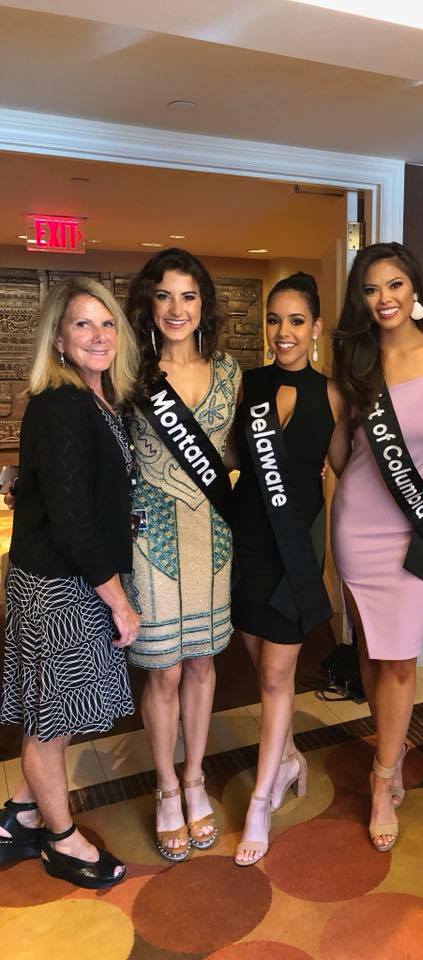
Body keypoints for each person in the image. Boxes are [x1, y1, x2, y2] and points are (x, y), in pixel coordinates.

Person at [332, 242, 423, 852]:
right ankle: (387, 746)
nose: (384, 298)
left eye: (394, 285)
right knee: (370, 651)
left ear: (416, 290)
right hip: (359, 524)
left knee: (402, 658)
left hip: (420, 532)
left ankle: (383, 776)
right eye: (370, 288)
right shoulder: (353, 361)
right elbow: (341, 452)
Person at [0, 277, 140, 888]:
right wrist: (120, 601)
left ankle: (27, 810)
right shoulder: (61, 404)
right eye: (82, 324)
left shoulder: (99, 400)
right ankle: (60, 842)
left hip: (73, 579)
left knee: (55, 711)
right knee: (48, 721)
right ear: (58, 339)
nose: (98, 335)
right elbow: (72, 515)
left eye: (106, 322)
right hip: (56, 586)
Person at [124, 248, 241, 861]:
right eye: (164, 295)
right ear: (148, 302)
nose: (176, 308)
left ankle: (195, 778)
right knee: (163, 667)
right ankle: (167, 789)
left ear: (204, 305)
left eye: (188, 296)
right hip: (151, 537)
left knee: (200, 662)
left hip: (212, 535)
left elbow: (243, 453)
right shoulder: (129, 372)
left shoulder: (230, 373)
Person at [231, 272, 350, 866]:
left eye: (296, 321)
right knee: (261, 670)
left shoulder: (332, 397)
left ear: (316, 328)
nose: (284, 332)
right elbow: (224, 458)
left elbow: (343, 478)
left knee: (279, 677)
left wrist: (331, 567)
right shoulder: (243, 386)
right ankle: (289, 758)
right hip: (246, 546)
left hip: (296, 554)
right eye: (274, 320)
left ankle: (261, 797)